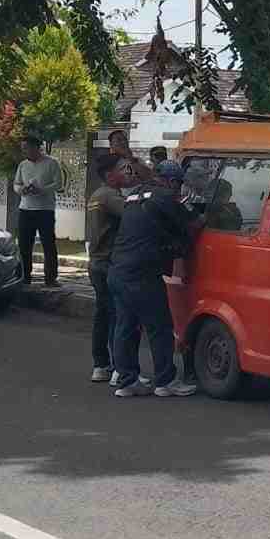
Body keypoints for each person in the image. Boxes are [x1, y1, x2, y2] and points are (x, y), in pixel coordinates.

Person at [110, 160, 202, 398]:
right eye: (178, 183)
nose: (179, 188)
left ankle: (127, 381)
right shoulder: (165, 197)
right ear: (171, 181)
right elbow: (193, 222)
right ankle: (165, 381)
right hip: (142, 273)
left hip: (117, 270)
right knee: (159, 327)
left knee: (125, 327)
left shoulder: (135, 195)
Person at [87, 153, 132, 382]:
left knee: (103, 314)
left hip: (97, 262)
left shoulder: (98, 195)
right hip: (108, 262)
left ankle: (101, 365)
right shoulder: (109, 196)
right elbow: (133, 215)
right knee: (117, 315)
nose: (128, 172)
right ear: (109, 175)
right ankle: (119, 368)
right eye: (123, 168)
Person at [12, 136, 63, 286]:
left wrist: (42, 190)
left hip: (45, 210)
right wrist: (21, 190)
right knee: (24, 244)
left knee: (48, 244)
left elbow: (58, 184)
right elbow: (16, 184)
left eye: (26, 147)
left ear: (36, 147)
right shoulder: (23, 165)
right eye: (22, 148)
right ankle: (25, 276)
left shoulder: (52, 163)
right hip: (25, 209)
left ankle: (51, 278)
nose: (24, 151)